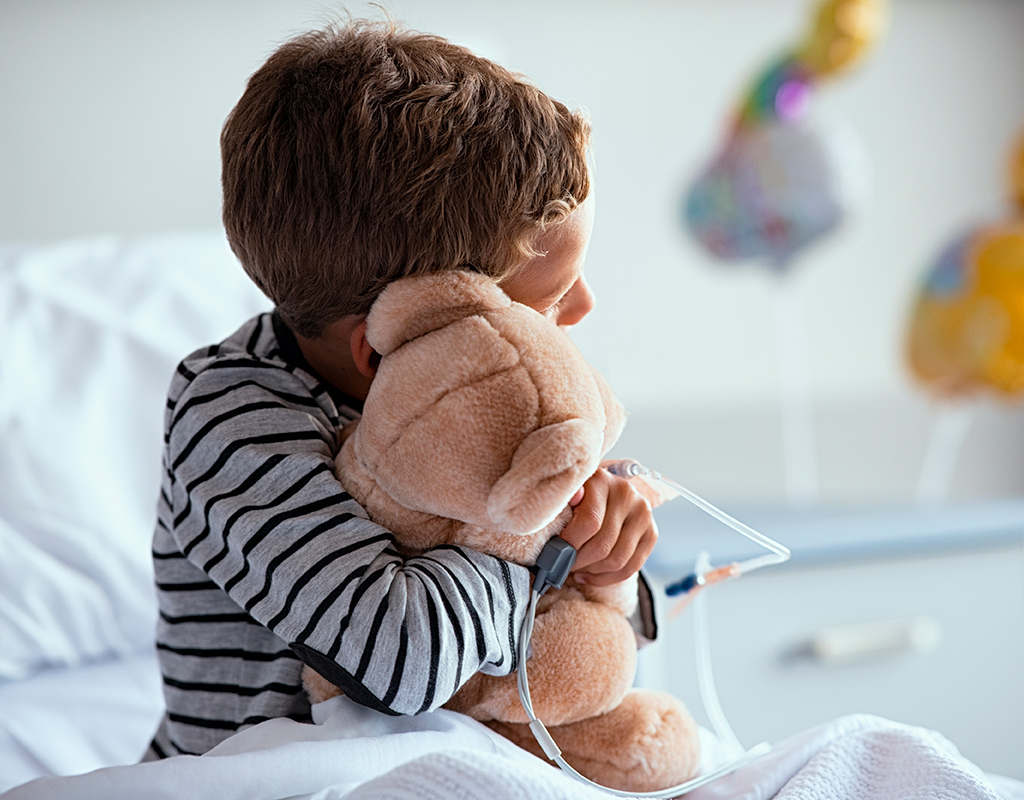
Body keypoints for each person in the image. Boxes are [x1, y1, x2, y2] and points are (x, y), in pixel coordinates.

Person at [147, 17, 658, 759]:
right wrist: (546, 557)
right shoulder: (232, 415)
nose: (583, 309)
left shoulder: (498, 396)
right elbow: (396, 655)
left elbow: (576, 649)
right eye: (544, 303)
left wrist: (608, 565)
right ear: (390, 342)